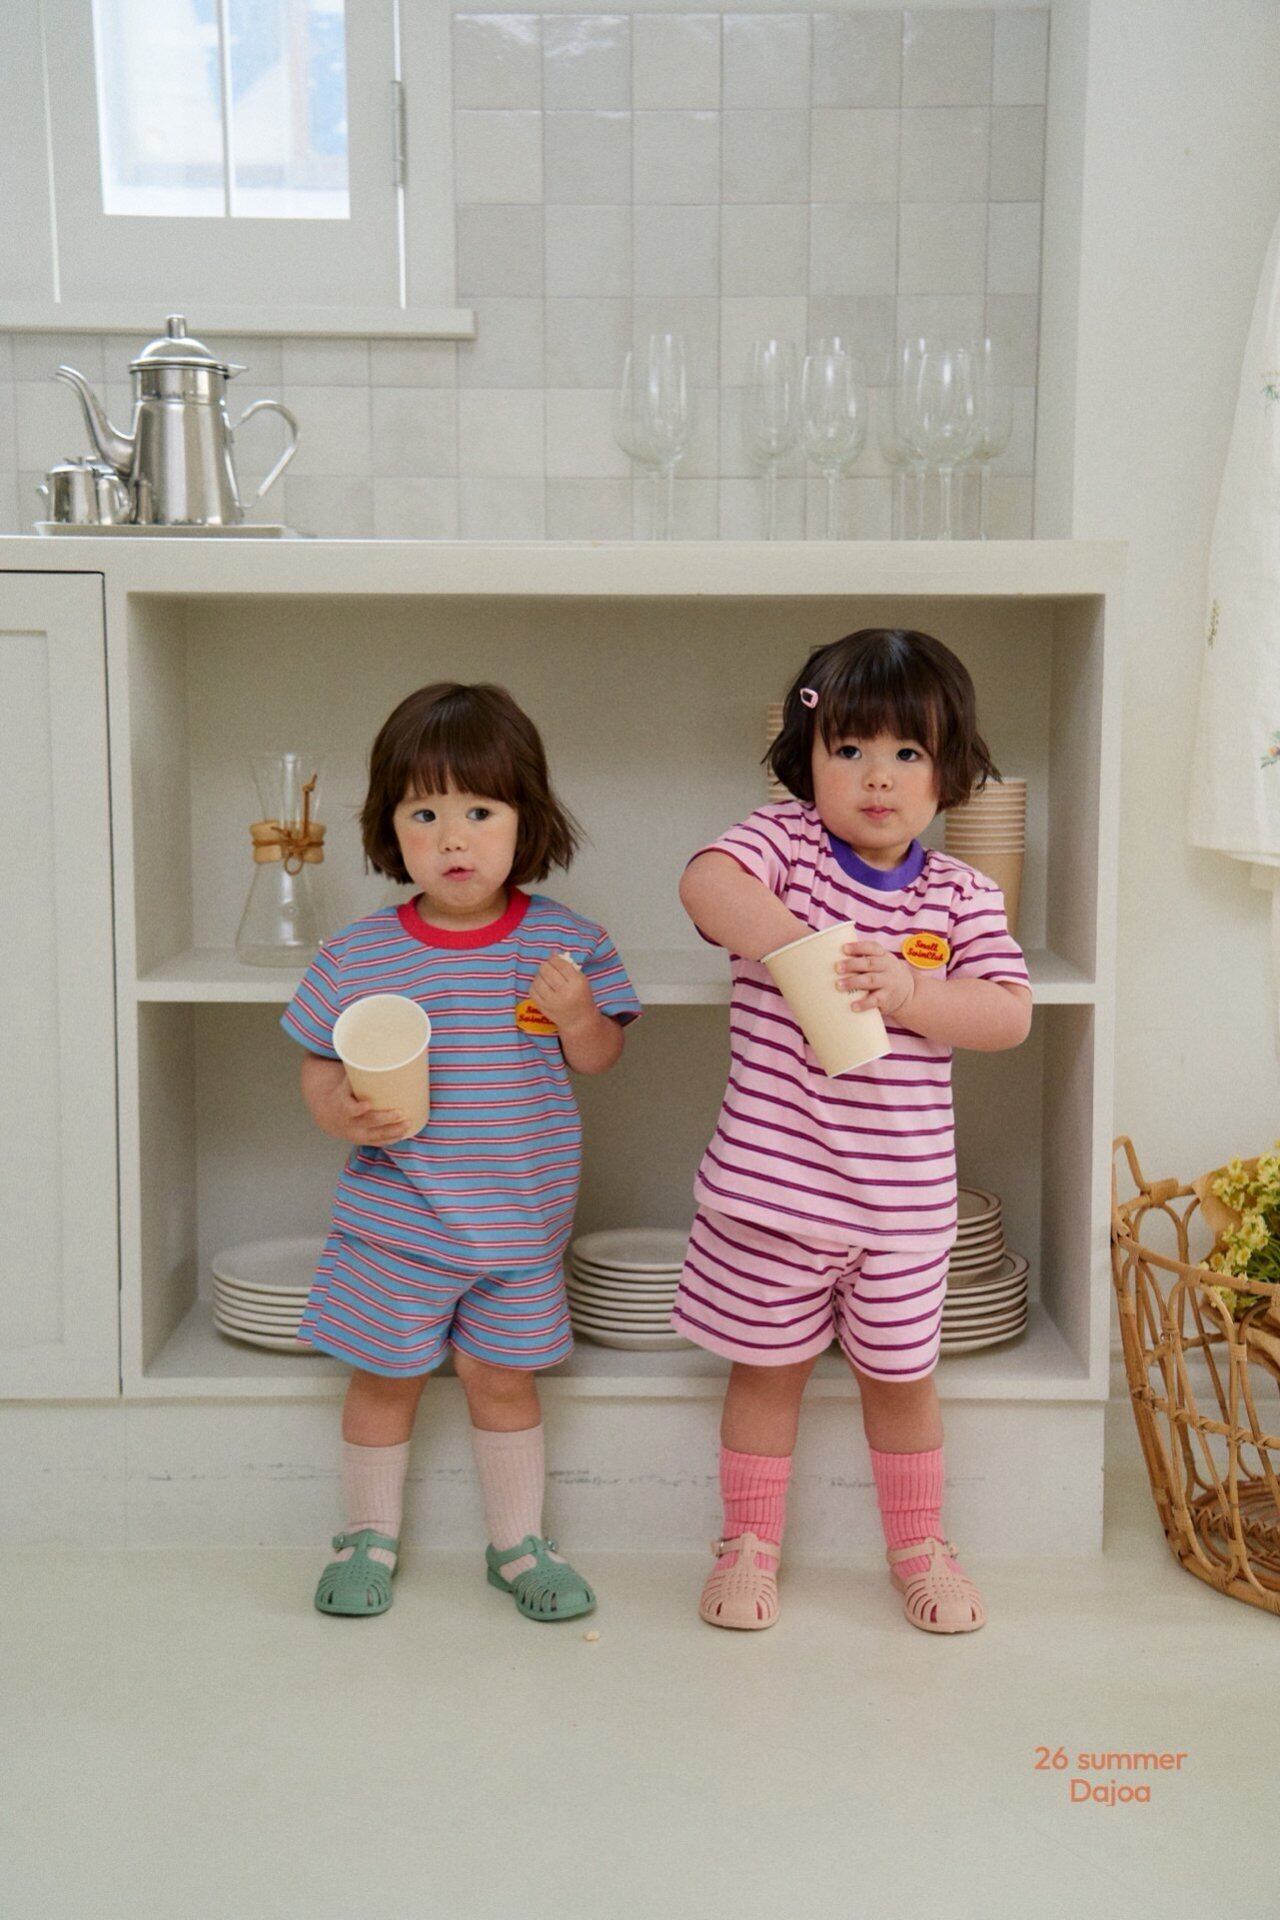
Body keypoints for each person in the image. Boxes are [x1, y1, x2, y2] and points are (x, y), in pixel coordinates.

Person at [675, 628, 1032, 1635]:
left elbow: (1006, 1015)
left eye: (907, 752)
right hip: (772, 1195)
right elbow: (704, 885)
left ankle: (918, 1546)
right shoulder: (783, 846)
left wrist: (913, 992)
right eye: (849, 748)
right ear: (807, 758)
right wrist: (803, 947)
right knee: (765, 1374)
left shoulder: (959, 894)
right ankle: (747, 1545)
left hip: (901, 1211)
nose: (878, 775)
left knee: (901, 1381)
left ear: (949, 773)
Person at [281, 682, 641, 1620]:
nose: (453, 839)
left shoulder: (567, 946)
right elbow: (318, 1063)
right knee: (384, 1378)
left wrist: (579, 1015)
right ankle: (367, 1536)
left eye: (480, 812)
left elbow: (600, 1058)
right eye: (424, 813)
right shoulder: (358, 954)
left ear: (527, 820)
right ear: (388, 827)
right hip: (395, 1223)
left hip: (520, 1228)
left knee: (504, 1380)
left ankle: (517, 1545)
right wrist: (338, 1112)